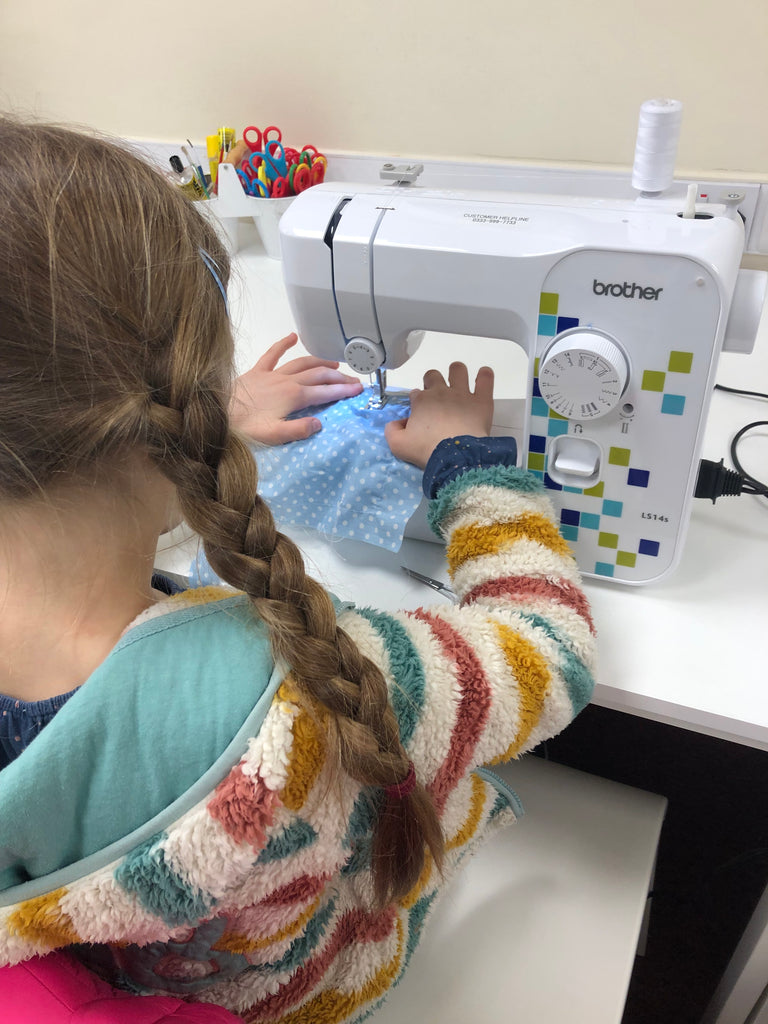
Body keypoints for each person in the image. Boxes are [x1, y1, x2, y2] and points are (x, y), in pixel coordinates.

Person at [0, 117, 597, 1023]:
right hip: (302, 988)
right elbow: (548, 655)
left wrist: (194, 432)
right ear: (173, 406)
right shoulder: (302, 698)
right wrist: (471, 469)